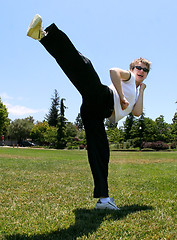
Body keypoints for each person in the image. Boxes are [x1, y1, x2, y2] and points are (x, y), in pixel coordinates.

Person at [27, 14, 151, 210]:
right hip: (102, 97)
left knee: (100, 151)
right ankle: (44, 35)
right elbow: (113, 71)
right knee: (84, 66)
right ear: (132, 68)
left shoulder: (137, 90)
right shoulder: (127, 77)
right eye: (138, 67)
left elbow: (137, 113)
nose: (141, 71)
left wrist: (141, 91)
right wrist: (122, 95)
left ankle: (103, 199)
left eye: (145, 70)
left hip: (95, 111)